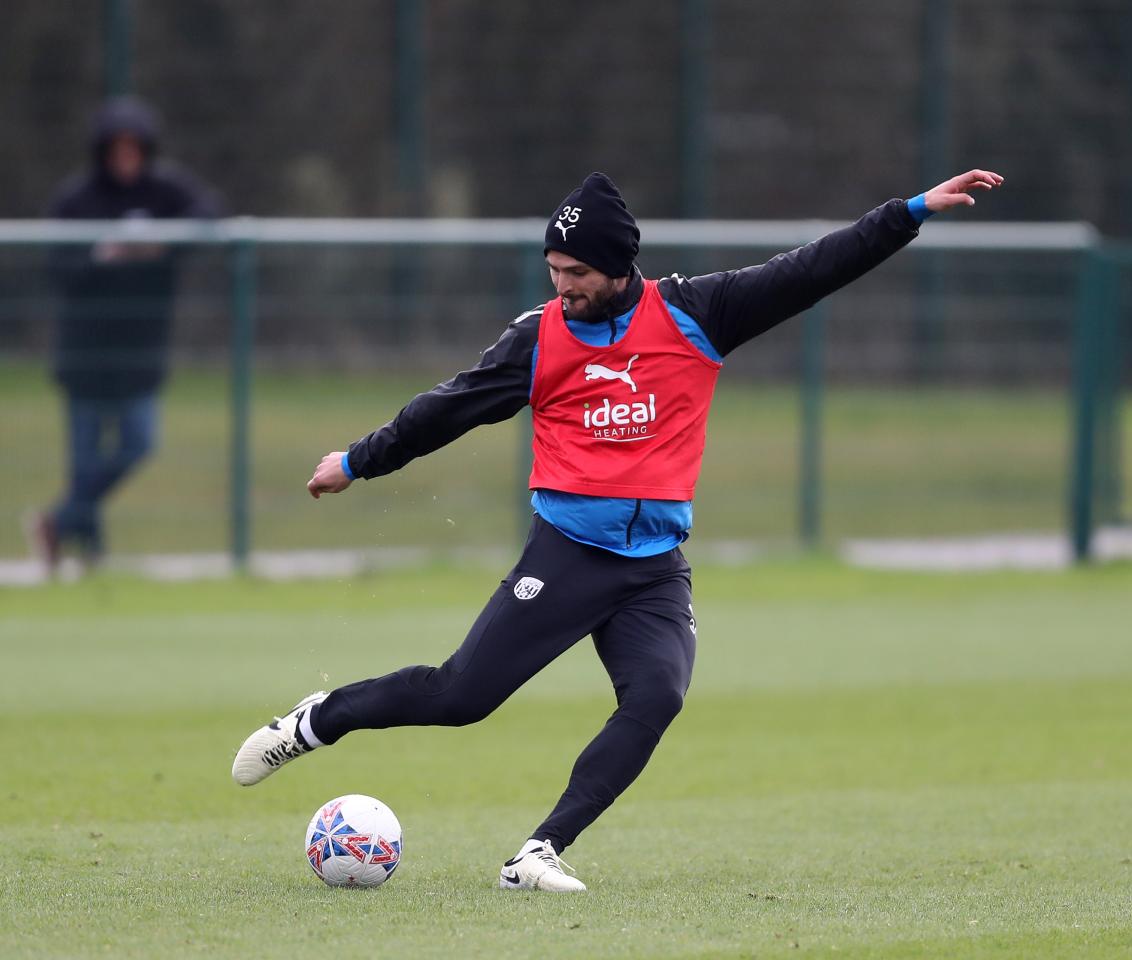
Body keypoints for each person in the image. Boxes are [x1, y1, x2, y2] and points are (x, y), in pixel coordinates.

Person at [232, 168, 1003, 891]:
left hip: (654, 567)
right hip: (567, 556)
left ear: (619, 266)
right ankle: (317, 720)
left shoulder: (697, 313)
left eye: (577, 273)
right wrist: (357, 461)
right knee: (461, 696)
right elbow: (448, 409)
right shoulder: (538, 339)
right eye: (553, 271)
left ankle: (538, 852)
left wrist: (909, 213)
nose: (562, 287)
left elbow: (810, 270)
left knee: (657, 695)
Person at [27, 96, 222, 575]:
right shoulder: (76, 199)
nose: (126, 158)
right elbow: (54, 265)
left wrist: (162, 241)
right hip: (85, 353)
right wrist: (102, 256)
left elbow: (210, 212)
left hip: (141, 351)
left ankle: (56, 523)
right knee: (85, 461)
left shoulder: (165, 190)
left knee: (138, 441)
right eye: (117, 149)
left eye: (134, 149)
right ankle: (90, 558)